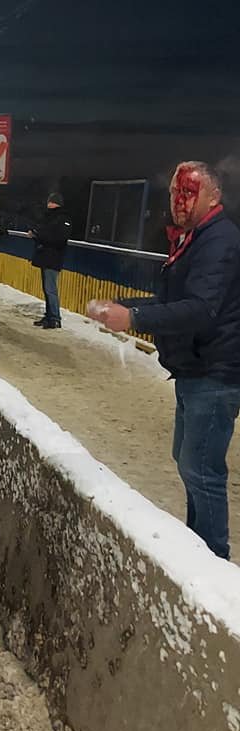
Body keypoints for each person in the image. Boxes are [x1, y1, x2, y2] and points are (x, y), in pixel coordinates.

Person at [88, 161, 240, 560]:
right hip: (196, 368)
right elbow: (173, 303)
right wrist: (124, 305)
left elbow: (200, 309)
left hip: (215, 371)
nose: (179, 201)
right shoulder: (192, 238)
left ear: (214, 197)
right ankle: (199, 548)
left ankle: (212, 561)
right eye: (175, 193)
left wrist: (134, 318)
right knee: (188, 463)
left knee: (201, 470)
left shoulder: (218, 240)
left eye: (189, 192)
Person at [28, 192, 72, 329]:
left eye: (52, 202)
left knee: (50, 288)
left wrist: (39, 235)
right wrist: (36, 235)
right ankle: (49, 316)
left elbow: (58, 238)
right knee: (47, 289)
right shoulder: (47, 217)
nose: (49, 204)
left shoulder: (63, 219)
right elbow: (45, 234)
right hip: (45, 257)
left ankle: (55, 318)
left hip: (53, 258)